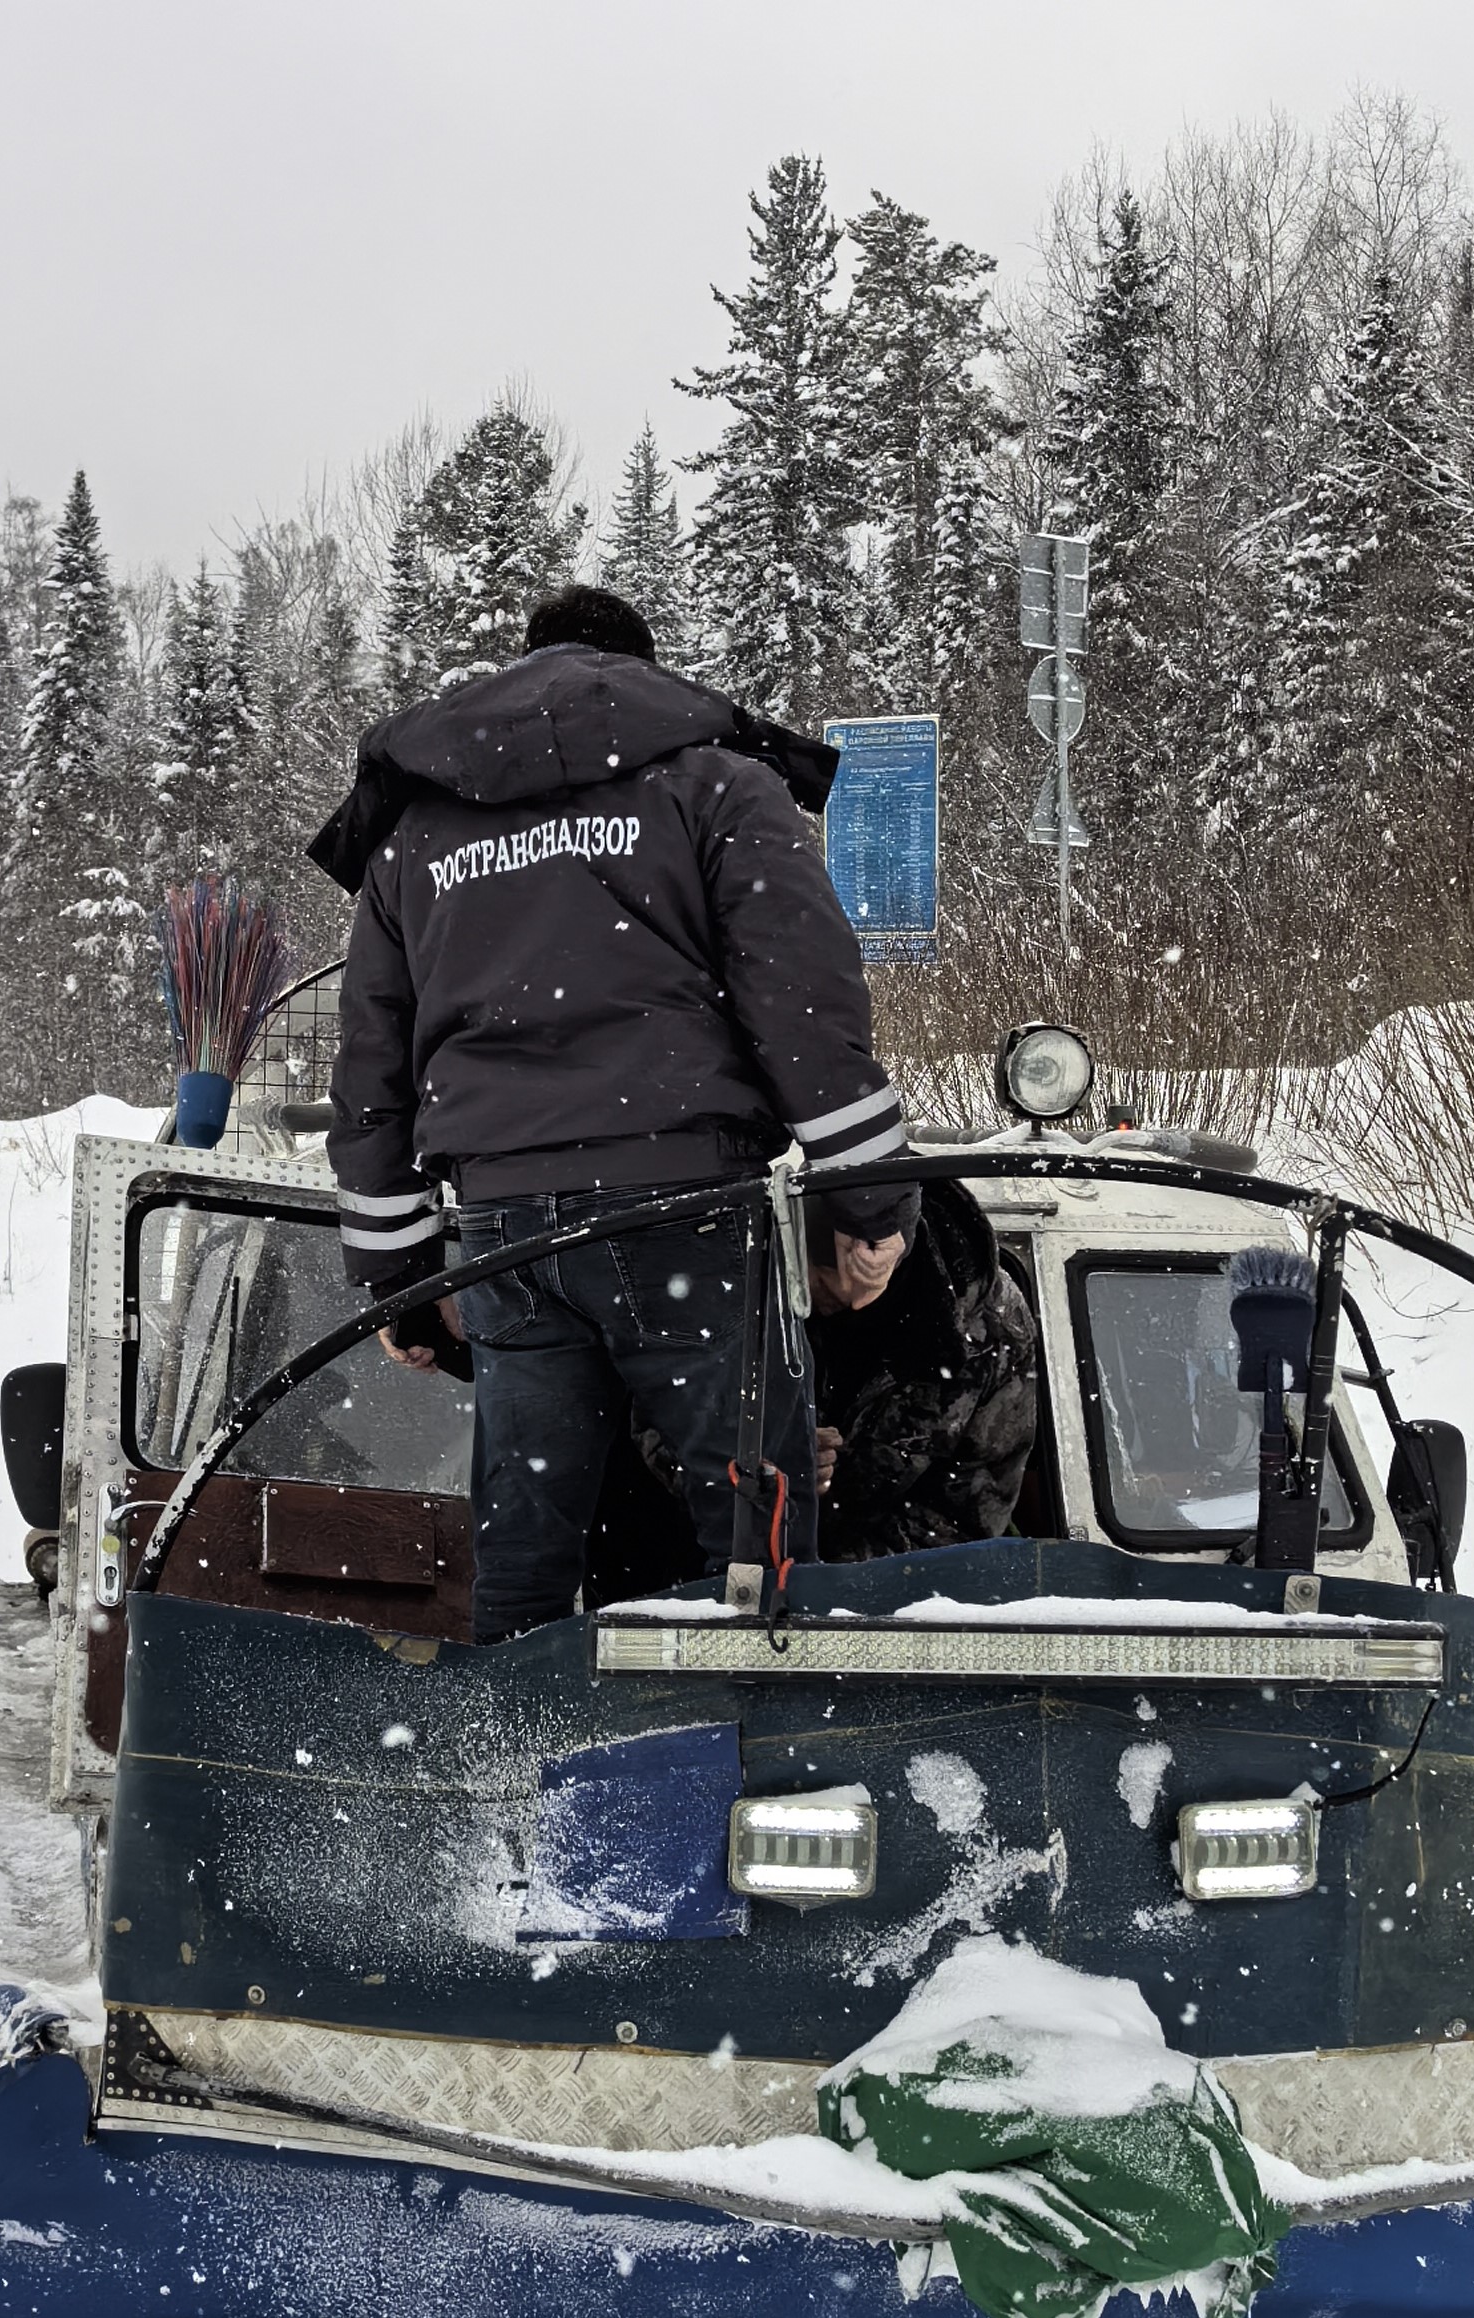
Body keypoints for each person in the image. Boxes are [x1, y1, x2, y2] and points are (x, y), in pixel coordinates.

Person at [315, 584, 917, 1641]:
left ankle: (515, 1727)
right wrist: (873, 1205)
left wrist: (403, 1281)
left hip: (506, 1237)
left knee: (525, 1543)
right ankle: (759, 1713)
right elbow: (805, 1006)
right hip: (682, 1208)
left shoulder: (417, 831)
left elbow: (372, 1067)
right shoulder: (714, 783)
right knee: (756, 1538)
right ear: (641, 673)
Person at [803, 1180, 1040, 1561]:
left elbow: (966, 1519)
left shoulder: (994, 1334)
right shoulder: (752, 1289)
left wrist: (832, 1572)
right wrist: (772, 1474)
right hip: (735, 1569)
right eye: (808, 1286)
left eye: (827, 1292)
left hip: (888, 1583)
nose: (809, 1304)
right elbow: (700, 1435)